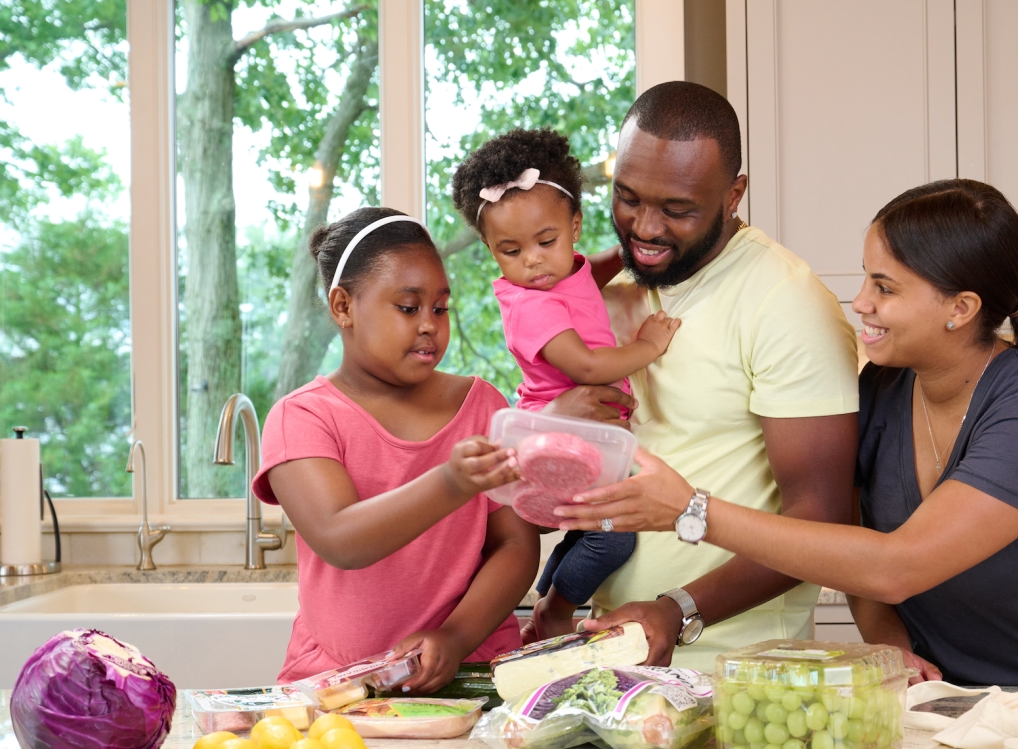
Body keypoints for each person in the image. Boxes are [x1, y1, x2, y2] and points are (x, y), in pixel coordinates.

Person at [558, 180, 1018, 687]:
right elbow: (851, 545)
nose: (859, 302)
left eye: (885, 287)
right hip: (958, 707)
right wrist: (891, 645)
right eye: (866, 278)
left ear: (960, 308)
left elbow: (896, 567)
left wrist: (691, 510)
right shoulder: (885, 388)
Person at [547, 81, 862, 673]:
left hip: (741, 676)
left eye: (677, 209)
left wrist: (676, 610)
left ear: (734, 193)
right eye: (628, 198)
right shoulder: (618, 293)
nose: (644, 227)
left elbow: (821, 521)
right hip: (619, 661)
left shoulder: (784, 301)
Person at [252, 206, 539, 692]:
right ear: (343, 306)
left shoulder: (481, 404)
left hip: (474, 668)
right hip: (339, 684)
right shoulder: (302, 417)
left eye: (440, 308)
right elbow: (340, 538)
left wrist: (454, 637)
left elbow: (515, 545)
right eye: (408, 308)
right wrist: (451, 482)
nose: (429, 324)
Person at [450, 128, 681, 642]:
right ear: (491, 251)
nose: (531, 260)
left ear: (575, 226)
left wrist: (632, 258)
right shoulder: (530, 305)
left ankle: (549, 597)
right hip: (559, 432)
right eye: (510, 251)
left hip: (584, 432)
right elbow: (588, 368)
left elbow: (588, 273)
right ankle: (555, 607)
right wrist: (648, 346)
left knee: (586, 526)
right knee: (613, 539)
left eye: (545, 242)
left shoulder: (562, 272)